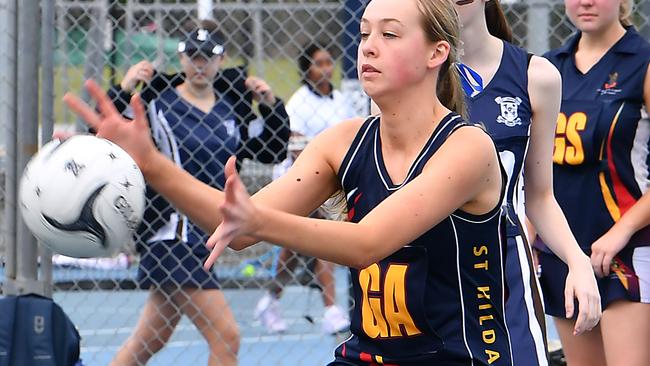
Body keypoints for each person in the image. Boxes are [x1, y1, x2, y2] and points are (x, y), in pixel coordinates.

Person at [65, 0, 515, 364]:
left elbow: (367, 242)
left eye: (390, 34)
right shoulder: (343, 141)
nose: (368, 47)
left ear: (436, 53)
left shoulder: (467, 148)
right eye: (363, 34)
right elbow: (236, 229)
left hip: (456, 357)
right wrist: (150, 162)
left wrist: (255, 220)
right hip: (368, 355)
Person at [105, 23, 290, 366]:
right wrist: (125, 88)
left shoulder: (232, 109)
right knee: (226, 337)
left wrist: (271, 105)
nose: (200, 65)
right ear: (182, 58)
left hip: (207, 236)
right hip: (171, 237)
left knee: (150, 340)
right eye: (193, 57)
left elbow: (271, 150)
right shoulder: (158, 106)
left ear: (221, 60)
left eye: (208, 57)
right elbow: (107, 132)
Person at [451, 1, 602, 365]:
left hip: (503, 270)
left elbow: (540, 197)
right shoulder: (411, 71)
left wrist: (578, 262)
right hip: (433, 267)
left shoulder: (536, 76)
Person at [536, 0, 650, 365]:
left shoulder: (642, 62)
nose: (586, 1)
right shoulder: (549, 66)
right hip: (564, 251)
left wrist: (622, 232)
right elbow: (532, 168)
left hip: (625, 249)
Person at [256, 42, 354, 335]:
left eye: (328, 62)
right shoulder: (298, 103)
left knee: (295, 250)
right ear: (306, 69)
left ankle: (271, 300)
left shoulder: (340, 100)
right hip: (298, 180)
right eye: (318, 63)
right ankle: (331, 309)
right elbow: (297, 149)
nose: (326, 68)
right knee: (319, 237)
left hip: (332, 181)